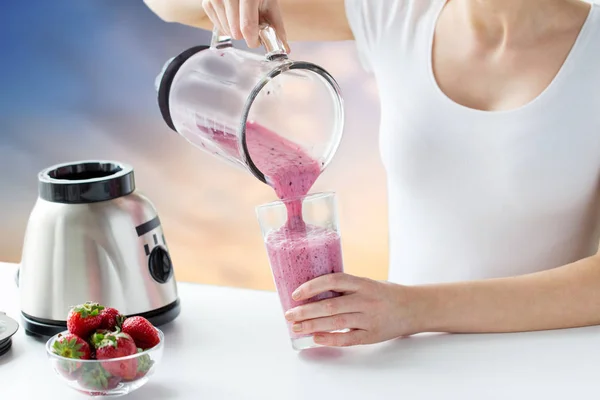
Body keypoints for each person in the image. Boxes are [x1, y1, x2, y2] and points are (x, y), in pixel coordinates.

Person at [144, 0, 600, 347]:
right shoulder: (396, 11)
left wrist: (414, 309)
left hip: (550, 361)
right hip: (408, 360)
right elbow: (167, 7)